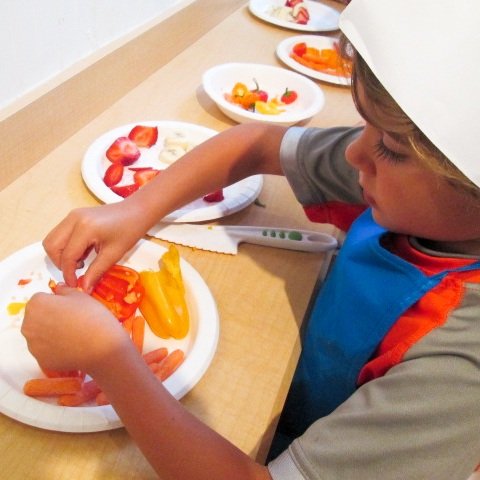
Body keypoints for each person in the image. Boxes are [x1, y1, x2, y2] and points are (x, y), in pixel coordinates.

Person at [21, 0, 480, 479]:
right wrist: (134, 209)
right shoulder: (417, 182)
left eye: (388, 146)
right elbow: (256, 144)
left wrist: (108, 359)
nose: (353, 150)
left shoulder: (464, 373)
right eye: (367, 126)